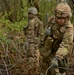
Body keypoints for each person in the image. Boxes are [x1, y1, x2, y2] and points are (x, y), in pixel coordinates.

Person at [39, 1, 73, 75]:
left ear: (67, 17)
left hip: (59, 58)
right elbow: (44, 34)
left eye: (63, 18)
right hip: (47, 52)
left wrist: (56, 58)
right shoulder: (52, 20)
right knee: (43, 71)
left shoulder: (69, 29)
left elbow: (65, 46)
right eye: (58, 18)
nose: (61, 20)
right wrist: (46, 33)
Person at [24, 7, 44, 75]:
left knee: (31, 58)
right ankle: (36, 71)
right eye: (28, 14)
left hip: (31, 43)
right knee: (36, 58)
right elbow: (41, 34)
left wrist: (26, 43)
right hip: (37, 42)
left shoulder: (32, 22)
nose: (29, 15)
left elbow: (30, 34)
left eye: (30, 14)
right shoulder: (39, 22)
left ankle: (31, 72)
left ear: (33, 14)